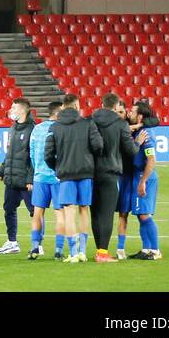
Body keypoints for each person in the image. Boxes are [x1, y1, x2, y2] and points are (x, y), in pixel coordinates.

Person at [44, 94, 103, 263]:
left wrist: (57, 167)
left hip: (66, 175)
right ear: (77, 106)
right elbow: (98, 146)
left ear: (63, 107)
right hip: (85, 173)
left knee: (69, 212)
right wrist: (90, 160)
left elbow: (47, 154)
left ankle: (73, 252)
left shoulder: (55, 127)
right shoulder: (88, 123)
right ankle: (83, 251)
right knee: (84, 210)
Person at [91, 93, 143, 263]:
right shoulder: (120, 124)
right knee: (106, 214)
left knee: (95, 213)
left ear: (102, 104)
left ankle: (99, 250)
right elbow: (131, 150)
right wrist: (138, 143)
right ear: (115, 107)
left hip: (91, 172)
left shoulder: (90, 119)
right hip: (110, 172)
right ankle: (103, 253)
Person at [0, 98, 36, 255]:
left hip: (26, 181)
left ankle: (37, 243)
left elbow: (34, 157)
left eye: (13, 107)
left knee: (34, 211)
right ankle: (12, 242)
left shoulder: (33, 129)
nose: (11, 110)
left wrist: (31, 179)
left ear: (22, 110)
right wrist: (2, 170)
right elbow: (10, 154)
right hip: (12, 179)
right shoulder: (13, 128)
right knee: (9, 209)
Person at [26, 100, 65, 261]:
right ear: (57, 113)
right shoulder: (61, 129)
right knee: (60, 214)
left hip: (40, 177)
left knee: (37, 213)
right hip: (57, 178)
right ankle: (58, 250)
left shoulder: (37, 129)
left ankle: (35, 247)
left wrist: (37, 171)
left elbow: (32, 154)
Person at [128, 100, 162, 261]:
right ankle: (146, 248)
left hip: (144, 176)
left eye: (132, 111)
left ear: (140, 116)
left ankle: (155, 250)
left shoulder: (146, 134)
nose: (129, 113)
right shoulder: (138, 130)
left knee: (144, 215)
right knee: (140, 214)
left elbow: (151, 159)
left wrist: (143, 181)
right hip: (138, 175)